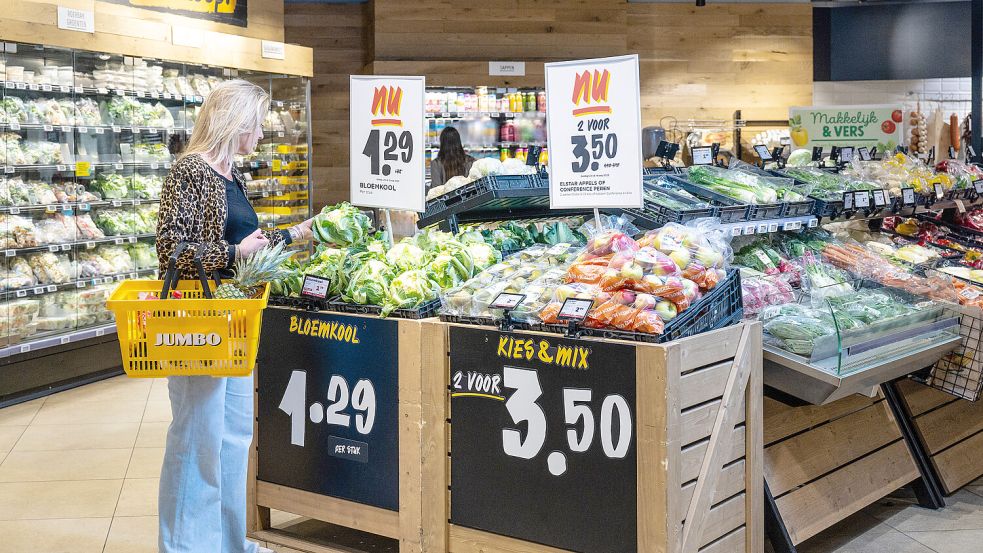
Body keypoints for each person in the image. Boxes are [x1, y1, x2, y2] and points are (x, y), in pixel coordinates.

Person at [155, 79, 312, 553]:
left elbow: (248, 246)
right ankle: (184, 546)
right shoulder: (190, 171)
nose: (262, 134)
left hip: (233, 324)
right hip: (198, 323)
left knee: (233, 438)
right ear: (235, 121)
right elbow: (170, 248)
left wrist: (293, 234)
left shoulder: (229, 174)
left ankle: (228, 543)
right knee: (196, 437)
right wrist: (230, 251)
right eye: (258, 124)